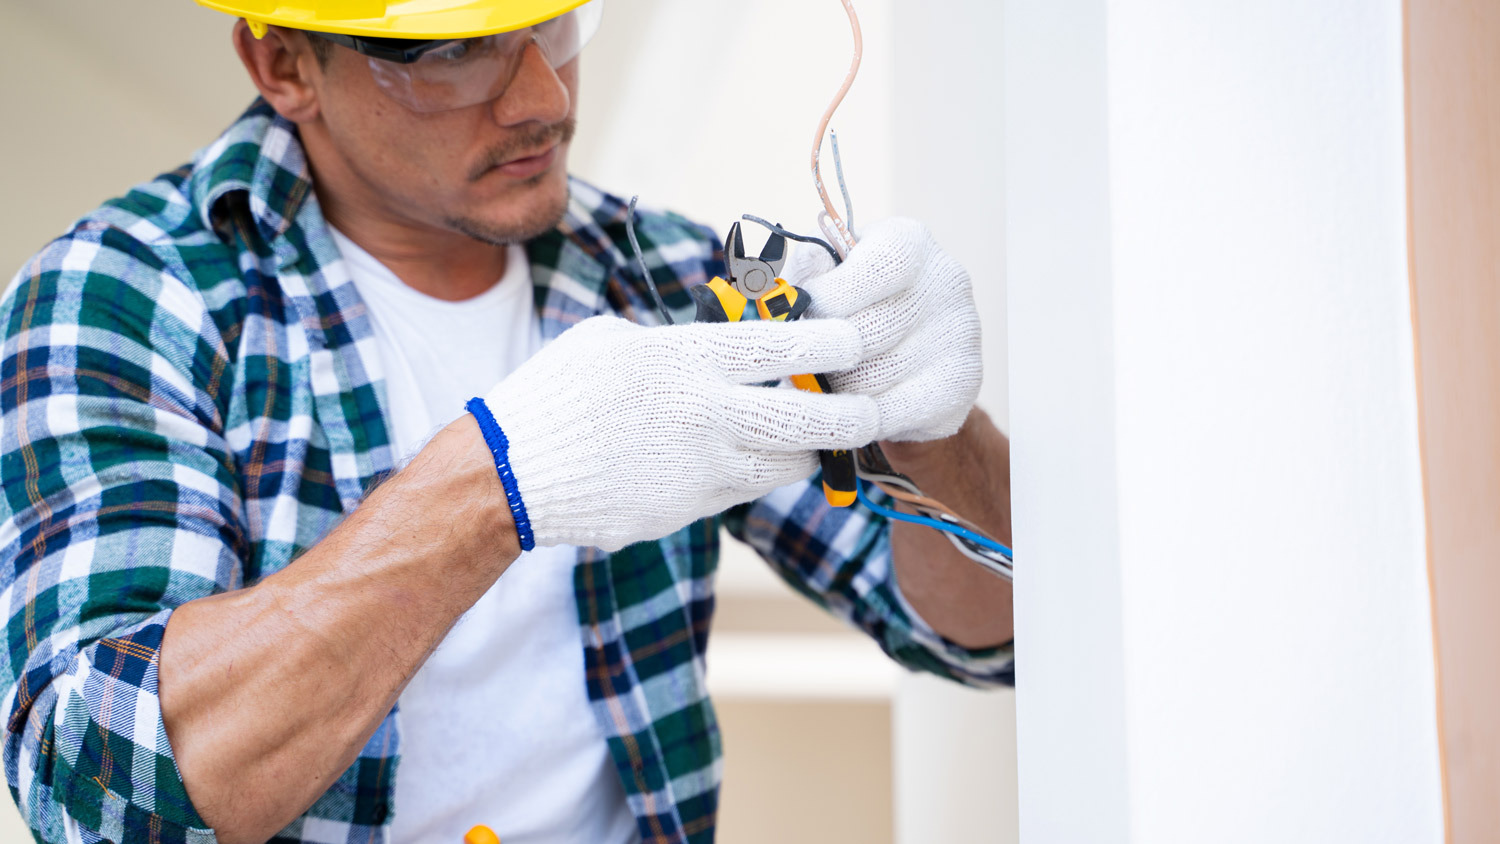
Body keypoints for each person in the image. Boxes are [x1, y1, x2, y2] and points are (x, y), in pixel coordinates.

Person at [0, 1, 1014, 841]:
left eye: (559, 21)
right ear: (283, 63)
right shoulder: (126, 296)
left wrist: (932, 435)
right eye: (451, 50)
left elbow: (983, 633)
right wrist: (493, 482)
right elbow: (97, 789)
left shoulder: (655, 271)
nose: (547, 96)